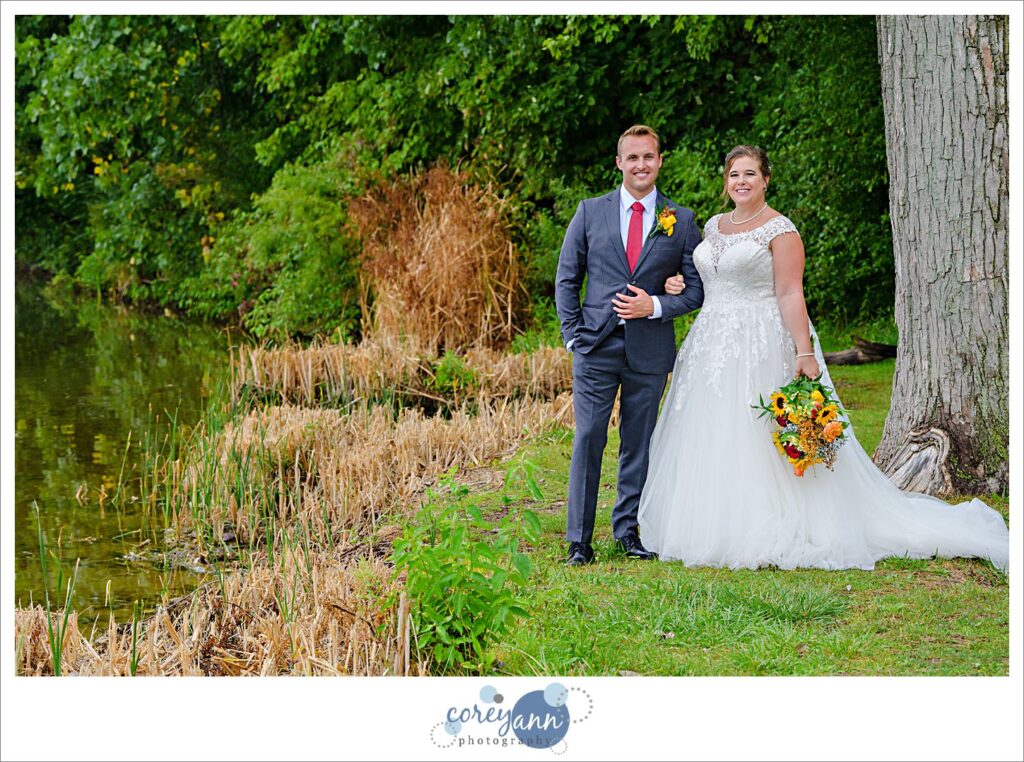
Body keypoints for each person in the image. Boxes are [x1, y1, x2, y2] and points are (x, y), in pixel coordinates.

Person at [637, 145, 1009, 571]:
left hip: (761, 338)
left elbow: (790, 292)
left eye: (750, 174)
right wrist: (678, 282)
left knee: (759, 433)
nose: (741, 181)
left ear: (766, 179)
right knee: (713, 430)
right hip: (711, 343)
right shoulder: (714, 227)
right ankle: (709, 521)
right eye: (734, 174)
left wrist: (804, 350)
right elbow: (711, 280)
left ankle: (770, 523)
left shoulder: (780, 230)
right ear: (726, 181)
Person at [555, 125, 704, 566]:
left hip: (649, 349)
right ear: (619, 163)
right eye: (632, 157)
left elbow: (693, 291)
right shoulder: (589, 212)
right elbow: (568, 278)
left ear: (660, 161)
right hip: (595, 347)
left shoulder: (681, 220)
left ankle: (627, 531)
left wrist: (654, 305)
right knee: (589, 437)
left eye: (649, 157)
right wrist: (572, 334)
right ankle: (579, 540)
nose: (641, 164)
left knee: (639, 441)